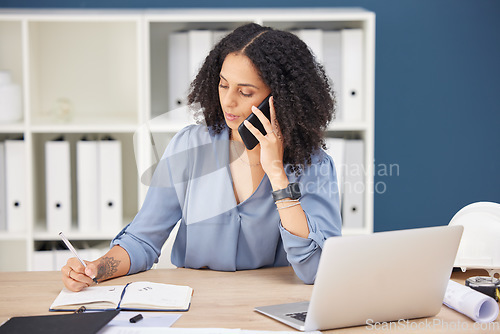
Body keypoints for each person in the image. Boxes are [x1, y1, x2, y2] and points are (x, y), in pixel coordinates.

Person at [62, 23, 342, 292]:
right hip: (195, 304)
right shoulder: (189, 147)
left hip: (269, 308)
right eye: (223, 85)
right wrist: (97, 268)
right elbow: (142, 239)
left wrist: (278, 176)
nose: (228, 101)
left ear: (280, 98)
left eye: (245, 92)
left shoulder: (313, 165)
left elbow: (317, 268)